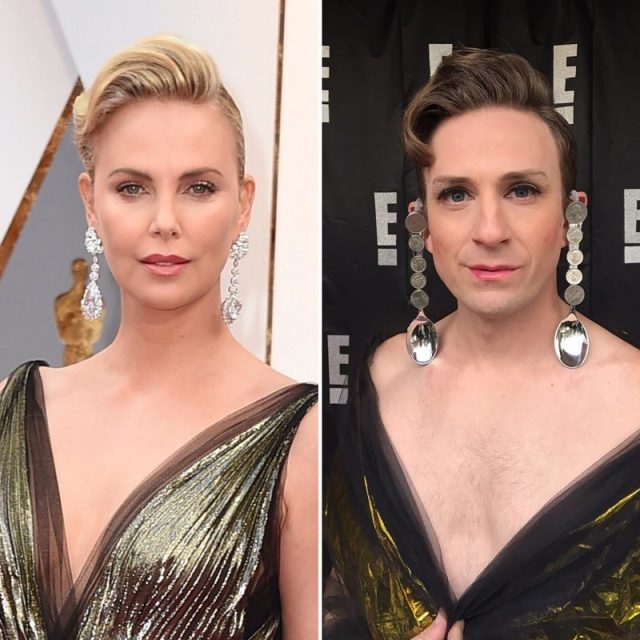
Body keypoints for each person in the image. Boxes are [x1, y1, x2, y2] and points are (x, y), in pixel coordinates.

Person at [0, 36, 317, 639]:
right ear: (90, 203)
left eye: (198, 188)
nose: (165, 222)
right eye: (132, 188)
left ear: (243, 205)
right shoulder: (8, 412)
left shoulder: (301, 444)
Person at [324, 48, 640, 640]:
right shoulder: (380, 379)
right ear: (421, 223)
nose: (490, 230)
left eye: (521, 191)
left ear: (570, 216)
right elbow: (340, 602)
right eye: (456, 195)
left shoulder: (634, 400)